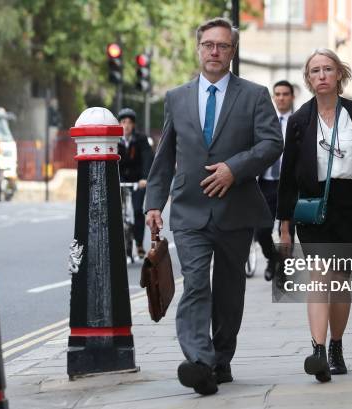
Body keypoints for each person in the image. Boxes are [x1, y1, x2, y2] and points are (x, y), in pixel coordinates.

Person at [144, 17, 283, 395]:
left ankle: (221, 360)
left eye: (222, 46)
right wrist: (154, 202)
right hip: (189, 209)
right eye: (208, 45)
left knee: (228, 290)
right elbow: (165, 152)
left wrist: (233, 169)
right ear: (198, 48)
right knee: (194, 285)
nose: (215, 51)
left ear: (232, 52)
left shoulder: (254, 95)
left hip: (235, 209)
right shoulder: (176, 97)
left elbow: (272, 143)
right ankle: (199, 362)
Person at [277, 49, 352, 383]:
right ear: (308, 79)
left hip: (350, 205)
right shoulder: (299, 120)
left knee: (340, 282)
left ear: (340, 74)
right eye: (315, 71)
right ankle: (318, 351)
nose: (322, 75)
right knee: (319, 277)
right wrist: (284, 224)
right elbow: (288, 175)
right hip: (313, 207)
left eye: (328, 69)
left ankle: (337, 346)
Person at [255, 80, 295, 281]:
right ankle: (273, 257)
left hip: (289, 184)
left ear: (292, 97)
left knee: (287, 230)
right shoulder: (264, 122)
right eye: (277, 94)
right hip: (265, 183)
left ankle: (283, 273)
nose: (281, 98)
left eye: (285, 94)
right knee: (261, 230)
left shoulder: (298, 122)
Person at [117, 107, 154, 258]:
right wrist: (116, 180)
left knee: (138, 210)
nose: (126, 125)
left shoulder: (141, 139)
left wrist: (145, 178)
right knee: (118, 212)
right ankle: (120, 242)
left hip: (139, 180)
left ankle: (138, 243)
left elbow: (147, 159)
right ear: (119, 124)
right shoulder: (114, 141)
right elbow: (114, 163)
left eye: (129, 122)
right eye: (123, 122)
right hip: (121, 180)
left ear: (133, 125)